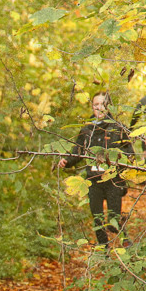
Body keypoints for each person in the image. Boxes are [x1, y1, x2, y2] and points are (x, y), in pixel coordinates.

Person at [58, 91, 134, 246]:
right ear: (92, 107)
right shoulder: (87, 129)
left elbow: (130, 153)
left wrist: (120, 160)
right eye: (96, 105)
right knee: (97, 219)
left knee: (114, 220)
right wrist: (67, 161)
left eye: (103, 104)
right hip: (93, 181)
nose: (99, 108)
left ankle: (126, 246)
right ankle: (104, 251)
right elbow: (78, 150)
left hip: (113, 180)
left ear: (109, 106)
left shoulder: (118, 128)